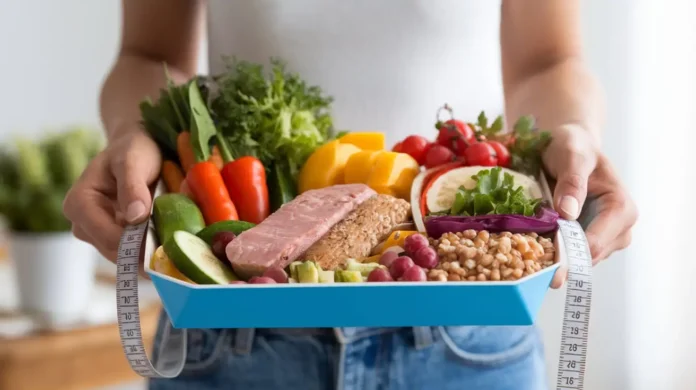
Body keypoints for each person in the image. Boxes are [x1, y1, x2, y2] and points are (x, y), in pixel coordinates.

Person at [63, 1, 638, 389]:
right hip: (231, 334)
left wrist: (576, 136)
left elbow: (548, 60)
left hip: (466, 333)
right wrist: (130, 136)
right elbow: (147, 54)